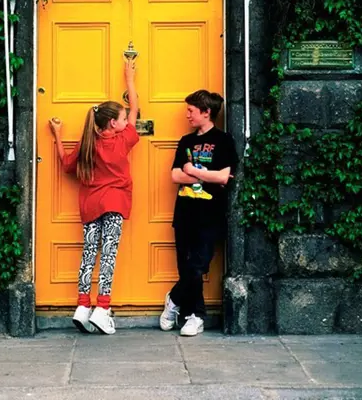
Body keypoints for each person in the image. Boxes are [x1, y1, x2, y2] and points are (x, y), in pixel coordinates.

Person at [49, 59, 139, 335]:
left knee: (89, 254)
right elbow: (136, 108)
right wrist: (129, 78)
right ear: (114, 123)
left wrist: (57, 134)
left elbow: (66, 165)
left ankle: (81, 305)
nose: (127, 121)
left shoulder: (87, 143)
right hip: (113, 205)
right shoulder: (122, 140)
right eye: (122, 119)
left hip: (89, 205)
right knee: (108, 255)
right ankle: (102, 308)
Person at [159, 89, 238, 336]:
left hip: (211, 214)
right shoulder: (186, 141)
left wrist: (193, 170)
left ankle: (174, 300)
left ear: (207, 112)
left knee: (198, 266)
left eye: (191, 111)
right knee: (186, 267)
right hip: (184, 212)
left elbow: (224, 176)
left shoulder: (224, 140)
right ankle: (193, 315)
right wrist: (208, 176)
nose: (187, 115)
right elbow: (175, 175)